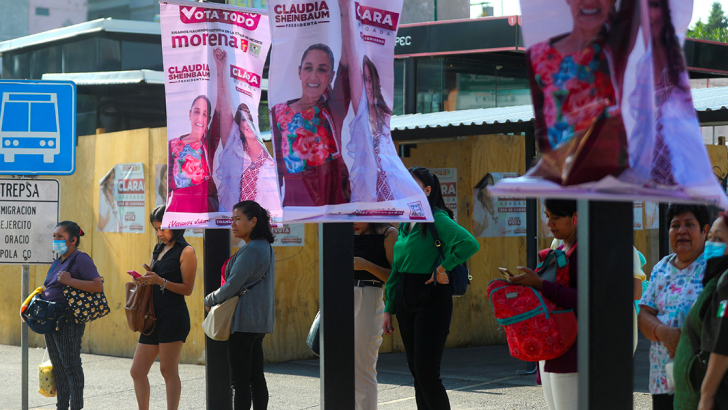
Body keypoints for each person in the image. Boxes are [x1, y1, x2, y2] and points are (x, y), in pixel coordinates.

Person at [382, 167, 479, 409]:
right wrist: (388, 307)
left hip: (431, 298)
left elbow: (469, 243)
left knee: (427, 373)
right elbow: (396, 269)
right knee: (417, 372)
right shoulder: (406, 223)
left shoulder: (437, 217)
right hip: (405, 299)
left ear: (427, 190)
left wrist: (443, 268)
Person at [525, 0, 637, 185]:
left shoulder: (618, 52)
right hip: (563, 177)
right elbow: (545, 134)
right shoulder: (538, 56)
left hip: (611, 172)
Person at [339, 0, 422, 203]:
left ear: (375, 83)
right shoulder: (361, 115)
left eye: (369, 80)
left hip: (388, 184)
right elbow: (351, 56)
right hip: (367, 190)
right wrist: (346, 12)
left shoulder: (382, 114)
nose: (366, 85)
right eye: (363, 80)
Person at [204, 201, 275, 409]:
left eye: (238, 219)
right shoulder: (264, 246)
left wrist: (209, 299)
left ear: (253, 221)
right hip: (257, 322)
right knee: (255, 378)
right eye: (232, 219)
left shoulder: (252, 249)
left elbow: (232, 286)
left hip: (243, 322)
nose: (233, 224)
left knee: (240, 382)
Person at [638, 204, 710, 410]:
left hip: (701, 378)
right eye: (675, 225)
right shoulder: (661, 268)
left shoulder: (714, 268)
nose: (682, 231)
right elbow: (644, 313)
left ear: (704, 230)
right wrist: (663, 332)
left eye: (689, 224)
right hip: (663, 379)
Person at [509, 199, 578, 410]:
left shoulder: (585, 251)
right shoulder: (563, 247)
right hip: (556, 346)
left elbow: (587, 300)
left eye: (555, 218)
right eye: (547, 216)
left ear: (576, 217)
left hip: (575, 349)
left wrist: (540, 284)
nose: (549, 223)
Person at [130, 205, 197, 410]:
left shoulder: (187, 251)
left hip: (173, 316)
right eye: (156, 229)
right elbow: (154, 279)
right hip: (152, 316)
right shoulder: (158, 248)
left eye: (163, 228)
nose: (159, 233)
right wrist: (144, 280)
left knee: (168, 370)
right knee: (137, 371)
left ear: (176, 226)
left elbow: (187, 289)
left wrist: (160, 281)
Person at [270, 41, 351, 206]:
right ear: (299, 72)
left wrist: (343, 17)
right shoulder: (278, 112)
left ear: (332, 76)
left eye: (322, 69)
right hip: (293, 206)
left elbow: (347, 64)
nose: (313, 76)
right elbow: (278, 168)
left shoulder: (332, 108)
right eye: (308, 68)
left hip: (330, 205)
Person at [211, 48, 280, 215]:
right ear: (239, 127)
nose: (247, 123)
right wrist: (221, 68)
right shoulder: (235, 151)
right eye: (242, 120)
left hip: (262, 226)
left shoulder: (268, 160)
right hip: (234, 227)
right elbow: (226, 110)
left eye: (249, 118)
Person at [43, 221, 102, 410]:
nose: (56, 240)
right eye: (54, 236)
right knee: (59, 370)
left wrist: (71, 281)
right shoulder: (58, 261)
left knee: (71, 367)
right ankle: (62, 407)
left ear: (73, 240)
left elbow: (97, 285)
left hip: (68, 320)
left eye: (60, 237)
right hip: (51, 320)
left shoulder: (80, 259)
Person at [673, 211, 728, 410]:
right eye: (711, 238)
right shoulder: (717, 277)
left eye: (719, 238)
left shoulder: (726, 281)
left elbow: (723, 339)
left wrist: (707, 394)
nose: (711, 243)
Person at [352, 222, 396, 410]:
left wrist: (366, 266)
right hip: (341, 298)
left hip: (369, 294)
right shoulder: (341, 233)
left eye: (359, 214)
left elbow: (396, 276)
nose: (354, 221)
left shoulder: (388, 232)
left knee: (363, 367)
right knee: (343, 367)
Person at [166, 94, 219, 213]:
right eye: (196, 112)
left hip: (203, 204)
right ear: (189, 114)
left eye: (205, 114)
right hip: (179, 204)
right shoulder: (172, 144)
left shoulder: (208, 143)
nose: (200, 118)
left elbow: (220, 114)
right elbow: (169, 182)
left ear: (209, 119)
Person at [98, 168, 121, 232]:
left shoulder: (114, 196)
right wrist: (106, 220)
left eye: (113, 177)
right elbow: (101, 226)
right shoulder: (103, 197)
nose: (111, 180)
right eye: (109, 178)